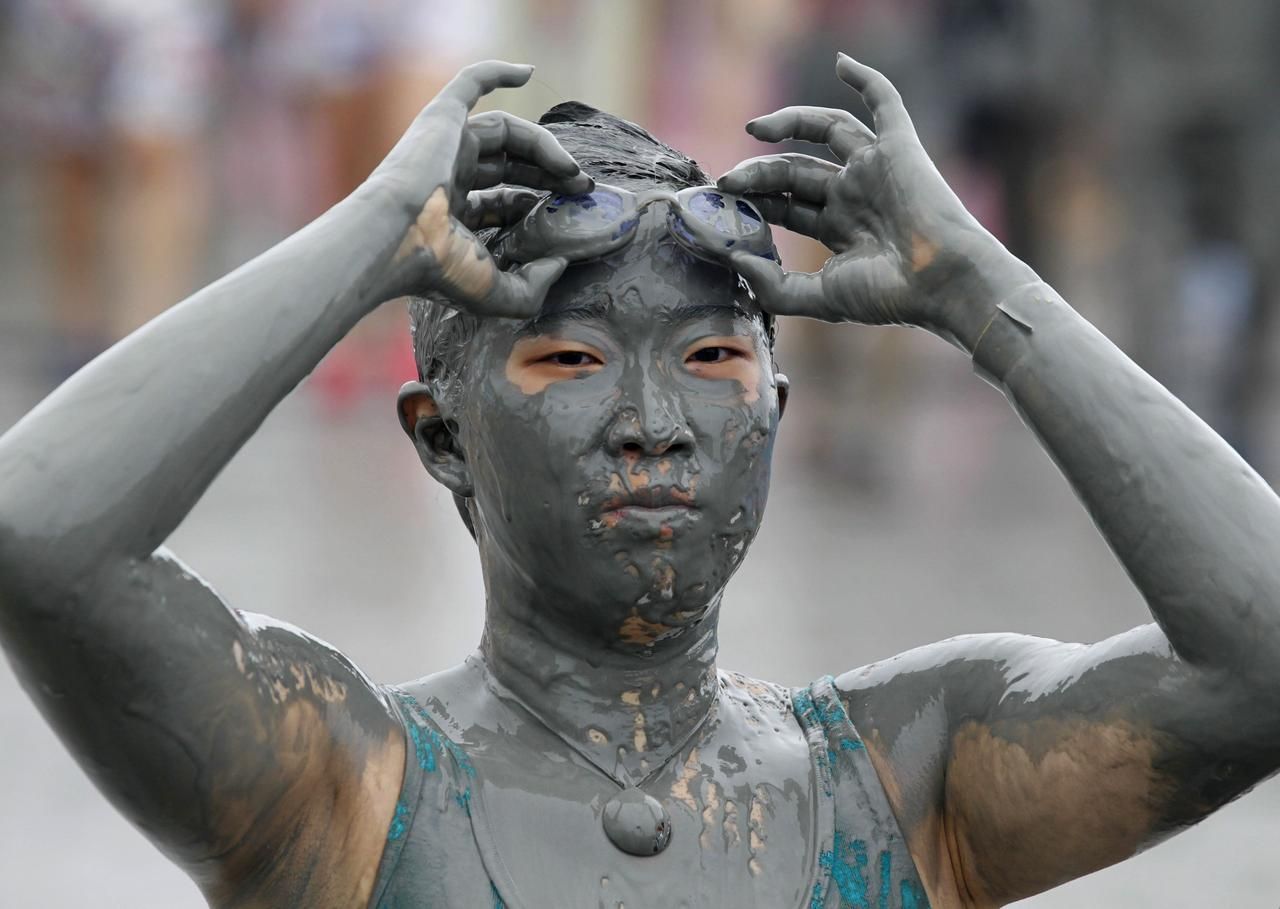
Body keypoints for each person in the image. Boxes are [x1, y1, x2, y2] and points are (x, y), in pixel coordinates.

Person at [1, 56, 1278, 907]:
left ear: (772, 415)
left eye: (713, 358)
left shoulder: (904, 775)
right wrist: (367, 241)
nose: (652, 425)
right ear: (442, 437)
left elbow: (1259, 663)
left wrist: (981, 294)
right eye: (570, 358)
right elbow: (39, 538)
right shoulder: (346, 780)